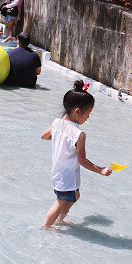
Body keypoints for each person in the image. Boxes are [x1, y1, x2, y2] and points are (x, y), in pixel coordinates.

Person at [40, 80, 113, 229]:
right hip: (67, 176)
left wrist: (60, 139)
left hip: (59, 173)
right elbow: (82, 160)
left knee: (75, 195)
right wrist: (100, 170)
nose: (88, 118)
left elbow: (44, 136)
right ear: (78, 111)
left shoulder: (57, 123)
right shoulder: (79, 134)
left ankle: (60, 219)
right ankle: (46, 227)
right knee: (59, 202)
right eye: (88, 114)